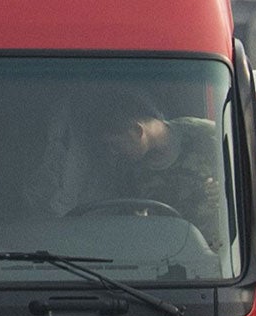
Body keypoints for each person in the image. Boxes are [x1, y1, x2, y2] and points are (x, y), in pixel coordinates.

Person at [88, 91, 230, 252]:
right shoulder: (127, 169)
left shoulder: (204, 134)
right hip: (163, 258)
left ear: (137, 130)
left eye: (115, 145)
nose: (114, 152)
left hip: (218, 257)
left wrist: (229, 190)